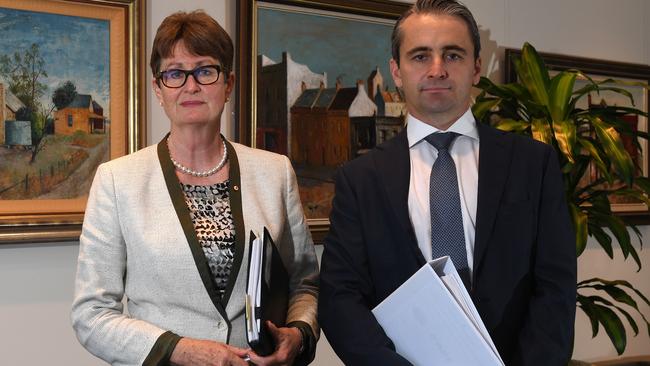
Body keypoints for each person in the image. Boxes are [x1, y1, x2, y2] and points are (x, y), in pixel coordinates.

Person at [319, 0, 577, 365]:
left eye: (452, 55)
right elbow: (339, 297)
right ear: (397, 70)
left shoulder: (533, 164)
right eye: (420, 56)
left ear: (475, 67)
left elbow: (556, 288)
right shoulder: (360, 180)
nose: (437, 70)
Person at [71, 10, 319, 366]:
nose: (191, 86)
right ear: (158, 88)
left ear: (228, 84)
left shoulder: (274, 172)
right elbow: (91, 314)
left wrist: (297, 334)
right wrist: (180, 349)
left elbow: (305, 284)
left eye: (205, 70)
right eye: (174, 73)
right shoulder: (117, 181)